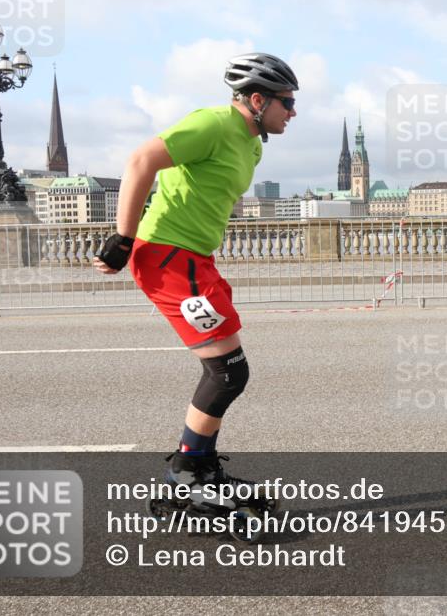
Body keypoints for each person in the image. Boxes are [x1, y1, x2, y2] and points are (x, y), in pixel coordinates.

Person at [93, 53, 298, 499]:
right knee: (228, 372)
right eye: (287, 101)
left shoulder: (252, 144)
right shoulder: (213, 123)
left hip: (194, 260)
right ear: (258, 100)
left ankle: (198, 468)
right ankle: (187, 474)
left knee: (228, 370)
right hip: (168, 258)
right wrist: (123, 239)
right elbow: (141, 161)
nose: (294, 112)